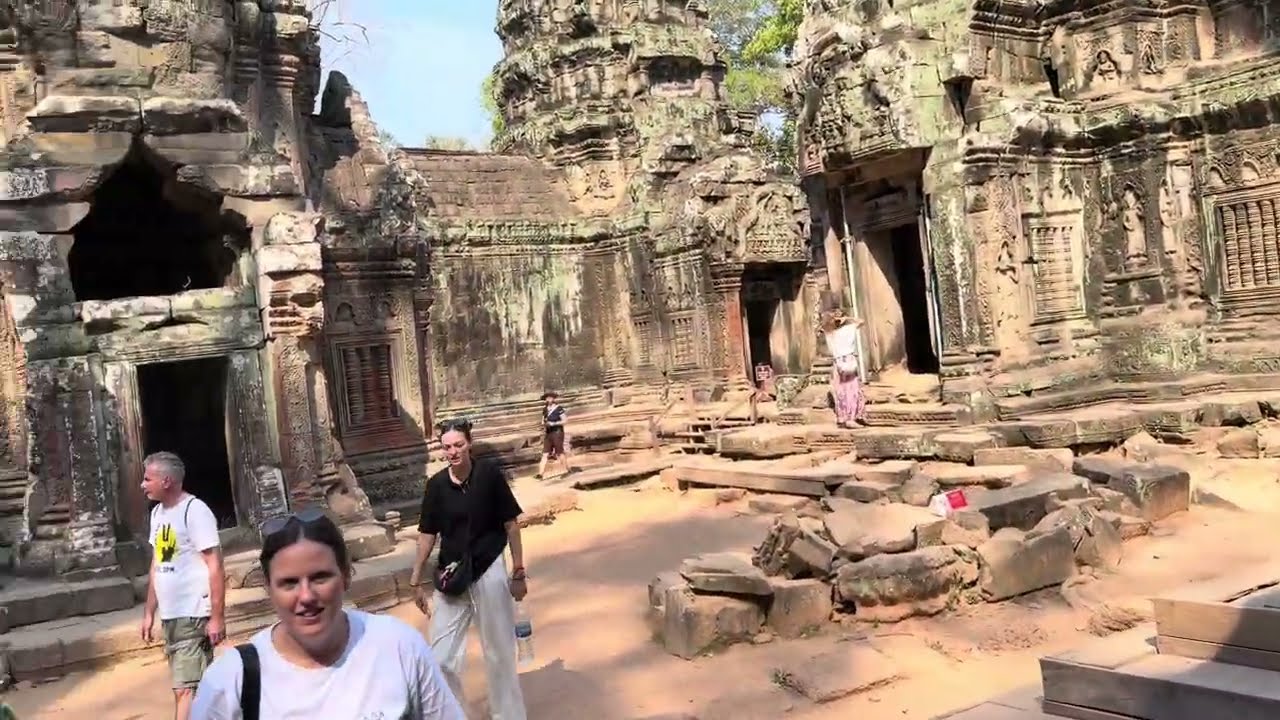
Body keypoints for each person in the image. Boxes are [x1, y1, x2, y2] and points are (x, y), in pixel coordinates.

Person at [190, 509, 465, 719]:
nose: (307, 596)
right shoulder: (231, 683)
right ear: (268, 588)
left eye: (320, 578)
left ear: (345, 576)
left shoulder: (399, 648)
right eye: (289, 583)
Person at [410, 418, 529, 720]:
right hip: (452, 573)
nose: (453, 451)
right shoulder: (436, 485)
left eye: (458, 445)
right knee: (440, 657)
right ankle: (454, 714)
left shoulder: (488, 475)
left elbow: (511, 525)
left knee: (499, 651)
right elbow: (427, 534)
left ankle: (508, 715)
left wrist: (518, 571)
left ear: (469, 444)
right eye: (447, 446)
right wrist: (416, 579)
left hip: (488, 567)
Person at [139, 451, 226, 720]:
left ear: (166, 481)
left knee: (184, 689)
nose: (143, 485)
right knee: (194, 685)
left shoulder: (195, 511)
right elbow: (158, 564)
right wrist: (149, 612)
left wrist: (217, 617)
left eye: (147, 479)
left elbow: (215, 565)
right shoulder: (157, 514)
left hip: (192, 611)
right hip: (171, 615)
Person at [822, 308, 867, 427]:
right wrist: (847, 318)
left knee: (842, 390)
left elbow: (823, 325)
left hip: (838, 362)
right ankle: (850, 418)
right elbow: (861, 321)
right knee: (851, 389)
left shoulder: (830, 333)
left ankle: (844, 417)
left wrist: (837, 318)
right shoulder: (847, 329)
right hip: (847, 360)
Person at [536, 391, 571, 479]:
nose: (549, 399)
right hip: (548, 433)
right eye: (547, 398)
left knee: (559, 453)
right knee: (545, 453)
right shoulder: (545, 409)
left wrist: (554, 423)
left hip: (557, 432)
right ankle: (540, 474)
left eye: (551, 397)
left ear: (553, 398)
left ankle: (567, 470)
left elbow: (565, 420)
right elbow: (542, 420)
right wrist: (543, 425)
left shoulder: (558, 408)